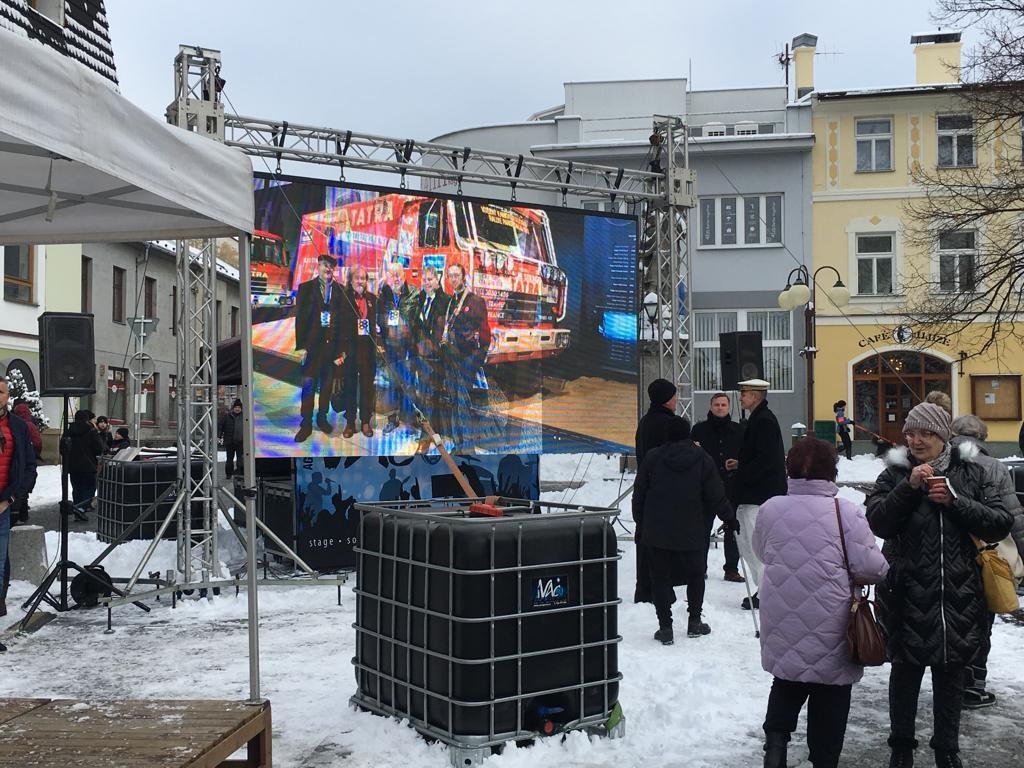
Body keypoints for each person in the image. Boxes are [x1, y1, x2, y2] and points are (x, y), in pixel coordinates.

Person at [866, 402, 1013, 768]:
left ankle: (947, 749)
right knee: (905, 673)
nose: (916, 440)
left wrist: (956, 501)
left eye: (926, 433)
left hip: (959, 594)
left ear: (943, 436)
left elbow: (999, 523)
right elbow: (878, 522)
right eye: (911, 433)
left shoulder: (971, 473)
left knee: (951, 676)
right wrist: (909, 489)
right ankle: (901, 746)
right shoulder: (895, 474)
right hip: (907, 593)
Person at [754, 437, 889, 768]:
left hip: (781, 610)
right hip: (833, 617)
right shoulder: (846, 512)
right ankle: (824, 759)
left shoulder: (770, 508)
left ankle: (775, 747)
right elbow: (871, 567)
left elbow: (761, 551)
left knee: (787, 679)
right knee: (831, 691)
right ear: (832, 471)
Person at [632, 417, 734, 644]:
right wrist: (729, 517)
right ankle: (694, 621)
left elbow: (639, 493)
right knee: (696, 575)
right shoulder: (702, 458)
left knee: (660, 577)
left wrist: (641, 522)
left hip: (657, 528)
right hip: (693, 527)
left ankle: (665, 627)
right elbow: (715, 493)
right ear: (688, 434)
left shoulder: (653, 457)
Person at [948, 414, 1024, 710]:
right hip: (987, 559)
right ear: (983, 438)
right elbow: (1013, 516)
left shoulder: (945, 462)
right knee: (982, 622)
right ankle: (974, 686)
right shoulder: (995, 467)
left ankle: (952, 682)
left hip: (950, 555)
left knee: (955, 621)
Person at [726, 378, 787, 608]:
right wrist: (740, 464)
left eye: (744, 393)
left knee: (755, 545)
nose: (740, 397)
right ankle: (763, 590)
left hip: (759, 495)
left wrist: (742, 472)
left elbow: (766, 461)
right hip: (756, 493)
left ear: (755, 396)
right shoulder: (759, 418)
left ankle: (765, 593)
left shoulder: (764, 421)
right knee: (749, 544)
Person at [691, 392, 745, 582]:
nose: (720, 408)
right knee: (701, 529)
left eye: (723, 405)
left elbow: (747, 456)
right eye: (717, 405)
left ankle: (731, 568)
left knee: (732, 529)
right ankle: (699, 568)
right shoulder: (698, 430)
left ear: (729, 407)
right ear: (710, 407)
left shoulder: (739, 431)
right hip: (704, 488)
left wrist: (738, 463)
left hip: (731, 487)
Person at [0, 378, 39, 634]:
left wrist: (10, 500)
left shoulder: (17, 426)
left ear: (7, 396)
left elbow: (28, 468)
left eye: (0, 391)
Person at [440, 262, 491, 449]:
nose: (453, 279)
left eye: (456, 275)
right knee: (453, 402)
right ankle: (456, 441)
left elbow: (485, 336)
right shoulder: (450, 301)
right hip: (451, 358)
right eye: (450, 275)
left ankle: (467, 445)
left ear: (463, 277)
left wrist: (476, 360)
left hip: (466, 360)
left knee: (463, 403)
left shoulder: (475, 301)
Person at [294, 253, 344, 442]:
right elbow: (300, 320)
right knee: (308, 387)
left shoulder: (339, 291)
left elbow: (343, 322)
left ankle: (321, 418)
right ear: (318, 266)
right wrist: (301, 347)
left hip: (330, 350)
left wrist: (341, 352)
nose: (327, 269)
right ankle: (305, 423)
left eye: (331, 266)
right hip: (311, 348)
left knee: (326, 387)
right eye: (324, 265)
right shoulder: (306, 289)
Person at [377, 262, 418, 435]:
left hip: (407, 349)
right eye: (392, 275)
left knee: (408, 385)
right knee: (392, 385)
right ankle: (392, 420)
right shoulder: (384, 295)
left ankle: (409, 422)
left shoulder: (414, 294)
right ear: (387, 277)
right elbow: (378, 318)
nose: (396, 278)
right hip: (391, 348)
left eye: (398, 275)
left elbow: (419, 321)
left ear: (404, 276)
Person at [411, 266, 450, 445]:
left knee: (431, 395)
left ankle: (427, 434)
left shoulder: (445, 300)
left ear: (437, 280)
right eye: (424, 280)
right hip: (421, 355)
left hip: (436, 357)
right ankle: (429, 431)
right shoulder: (419, 299)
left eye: (430, 279)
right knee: (424, 393)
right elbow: (416, 324)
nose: (427, 283)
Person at [65, 409, 105, 520]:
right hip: (89, 465)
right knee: (89, 488)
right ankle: (82, 508)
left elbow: (63, 448)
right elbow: (99, 448)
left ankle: (78, 507)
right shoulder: (92, 431)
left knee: (76, 488)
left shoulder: (69, 430)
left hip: (73, 466)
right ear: (87, 419)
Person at [635, 378, 683, 463]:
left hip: (645, 474)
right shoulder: (671, 423)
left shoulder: (644, 421)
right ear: (667, 400)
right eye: (674, 396)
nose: (677, 399)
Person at [10, 399, 41, 525]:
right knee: (24, 487)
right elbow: (38, 442)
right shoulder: (31, 425)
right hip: (29, 458)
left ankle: (16, 513)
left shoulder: (12, 423)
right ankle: (23, 515)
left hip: (15, 460)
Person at [218, 398, 244, 477]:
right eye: (236, 407)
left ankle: (240, 473)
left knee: (240, 458)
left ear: (241, 408)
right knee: (229, 458)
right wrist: (219, 436)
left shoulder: (245, 416)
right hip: (229, 441)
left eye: (239, 408)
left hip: (241, 441)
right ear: (233, 408)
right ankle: (229, 473)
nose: (237, 409)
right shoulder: (227, 416)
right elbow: (220, 426)